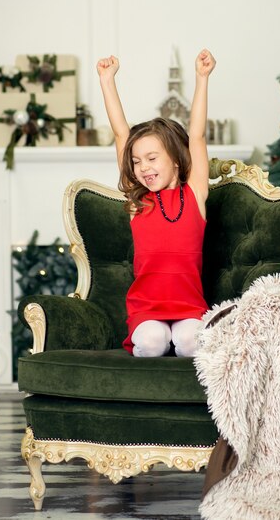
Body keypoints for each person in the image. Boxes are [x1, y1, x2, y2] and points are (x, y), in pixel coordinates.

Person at [96, 49, 216, 357]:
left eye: (152, 158)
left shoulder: (195, 195)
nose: (143, 168)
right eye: (137, 162)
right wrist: (107, 81)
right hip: (146, 309)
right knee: (152, 341)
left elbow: (198, 136)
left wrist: (202, 79)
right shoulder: (139, 202)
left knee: (191, 342)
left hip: (189, 306)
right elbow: (121, 133)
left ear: (176, 159)